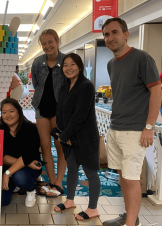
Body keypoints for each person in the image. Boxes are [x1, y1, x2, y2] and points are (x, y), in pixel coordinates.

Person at [102, 18, 162, 226]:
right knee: (122, 176)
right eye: (106, 35)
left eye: (114, 32)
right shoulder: (111, 64)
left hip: (135, 130)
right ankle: (130, 217)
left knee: (131, 178)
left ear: (126, 34)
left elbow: (156, 91)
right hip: (116, 127)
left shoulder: (142, 58)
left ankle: (130, 224)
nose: (110, 38)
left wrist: (149, 127)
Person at [53, 53, 100, 220]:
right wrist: (59, 131)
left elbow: (80, 115)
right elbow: (60, 111)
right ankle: (70, 201)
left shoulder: (86, 86)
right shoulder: (65, 87)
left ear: (80, 66)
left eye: (72, 64)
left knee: (90, 172)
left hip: (85, 138)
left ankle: (93, 208)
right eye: (65, 65)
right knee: (72, 169)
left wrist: (65, 134)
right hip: (68, 138)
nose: (69, 68)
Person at [31, 29, 67, 197]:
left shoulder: (66, 61)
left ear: (57, 41)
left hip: (60, 111)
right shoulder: (38, 62)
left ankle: (59, 183)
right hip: (41, 109)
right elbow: (36, 83)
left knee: (60, 146)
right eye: (44, 43)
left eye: (50, 42)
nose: (47, 46)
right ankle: (51, 181)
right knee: (45, 146)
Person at [0, 98, 42, 207]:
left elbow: (28, 155)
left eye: (11, 111)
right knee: (1, 202)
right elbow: (0, 157)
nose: (8, 115)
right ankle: (14, 185)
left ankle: (31, 189)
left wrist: (7, 174)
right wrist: (26, 162)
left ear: (19, 111)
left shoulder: (30, 128)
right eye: (4, 112)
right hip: (18, 165)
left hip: (28, 169)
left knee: (20, 177)